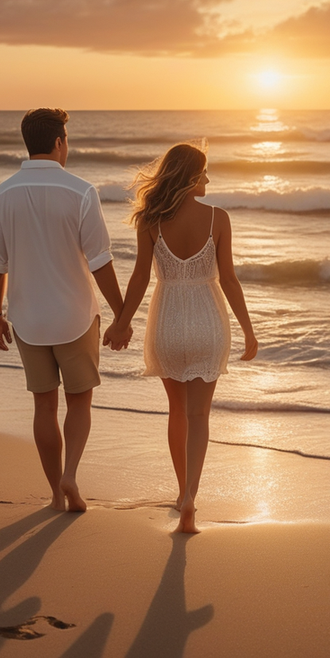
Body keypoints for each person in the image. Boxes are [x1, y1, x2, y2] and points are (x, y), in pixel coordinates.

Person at [104, 143, 258, 533]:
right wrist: (247, 329)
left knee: (177, 411)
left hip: (168, 321)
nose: (208, 179)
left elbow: (140, 277)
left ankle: (180, 493)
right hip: (208, 320)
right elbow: (229, 280)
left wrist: (122, 323)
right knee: (199, 415)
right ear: (191, 177)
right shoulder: (217, 219)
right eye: (204, 173)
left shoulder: (151, 220)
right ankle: (191, 496)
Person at [0, 108, 131, 512]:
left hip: (28, 319)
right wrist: (122, 315)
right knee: (79, 401)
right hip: (76, 315)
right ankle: (71, 476)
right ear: (60, 142)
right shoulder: (81, 191)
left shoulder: (2, 193)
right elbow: (100, 260)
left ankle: (53, 495)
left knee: (44, 406)